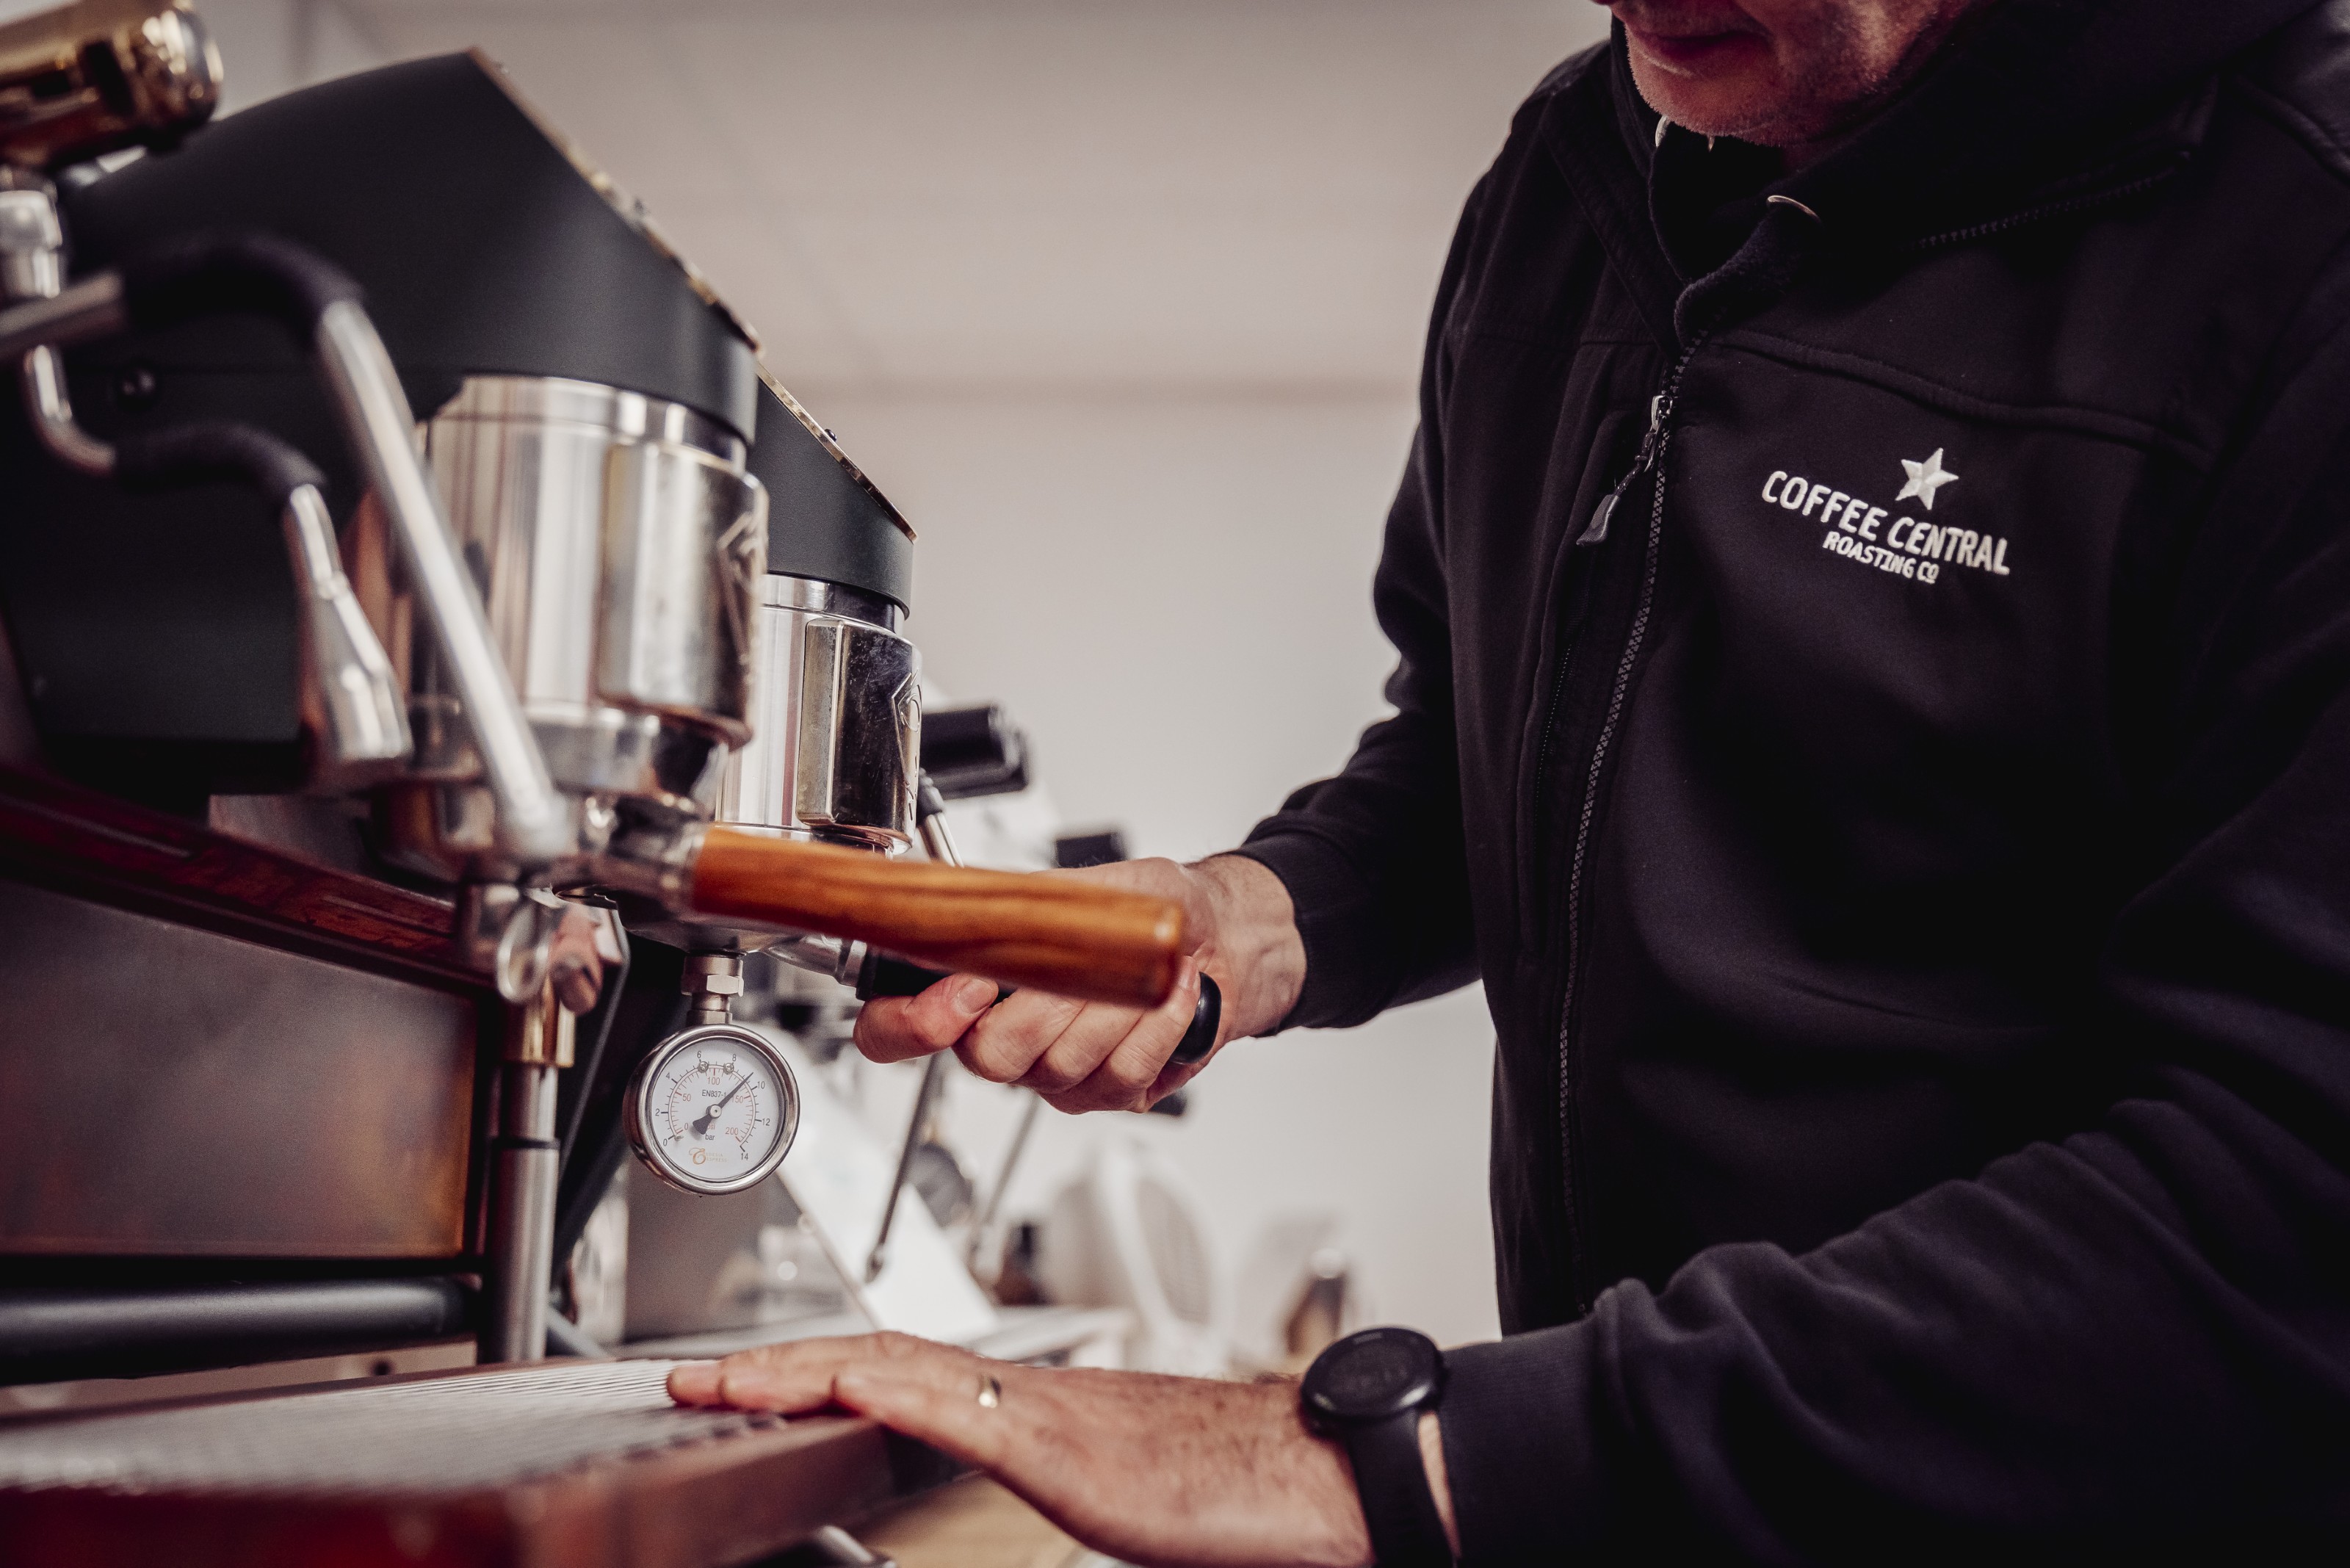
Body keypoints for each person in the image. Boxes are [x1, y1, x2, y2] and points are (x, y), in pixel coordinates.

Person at [671, 0, 2350, 1557]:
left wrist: (1376, 1460)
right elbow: (1479, 744)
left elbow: (2285, 1209)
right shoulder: (1570, 177)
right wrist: (1251, 917)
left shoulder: (2300, 250)